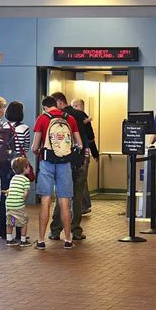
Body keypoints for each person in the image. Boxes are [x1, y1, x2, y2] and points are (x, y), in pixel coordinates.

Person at [32, 95, 82, 250]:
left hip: (47, 162)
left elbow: (34, 147)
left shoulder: (42, 118)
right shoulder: (70, 118)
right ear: (56, 105)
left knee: (46, 201)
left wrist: (40, 151)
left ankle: (41, 240)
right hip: (65, 163)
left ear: (45, 107)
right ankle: (68, 239)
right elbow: (79, 143)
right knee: (65, 202)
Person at [49, 92, 89, 241]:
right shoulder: (79, 115)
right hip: (78, 161)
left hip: (61, 162)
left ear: (59, 103)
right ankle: (76, 230)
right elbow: (87, 137)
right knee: (77, 197)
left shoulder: (55, 119)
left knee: (61, 196)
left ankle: (55, 230)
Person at [0, 101, 30, 240]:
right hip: (18, 168)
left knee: (5, 199)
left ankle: (4, 231)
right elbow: (25, 147)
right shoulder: (24, 128)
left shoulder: (2, 126)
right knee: (18, 199)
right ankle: (18, 233)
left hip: (4, 167)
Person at [71, 98, 99, 214]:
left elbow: (90, 137)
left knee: (80, 179)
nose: (74, 109)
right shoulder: (83, 118)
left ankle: (83, 206)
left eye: (75, 106)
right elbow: (91, 137)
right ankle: (84, 205)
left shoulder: (80, 117)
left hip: (81, 152)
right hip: (84, 152)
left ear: (81, 107)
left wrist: (95, 152)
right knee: (82, 179)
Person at [5, 157, 32, 247]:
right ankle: (23, 240)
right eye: (28, 167)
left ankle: (9, 239)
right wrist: (23, 200)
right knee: (23, 222)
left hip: (9, 204)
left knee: (11, 222)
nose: (29, 168)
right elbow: (25, 193)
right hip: (18, 205)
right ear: (24, 168)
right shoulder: (26, 180)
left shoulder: (13, 178)